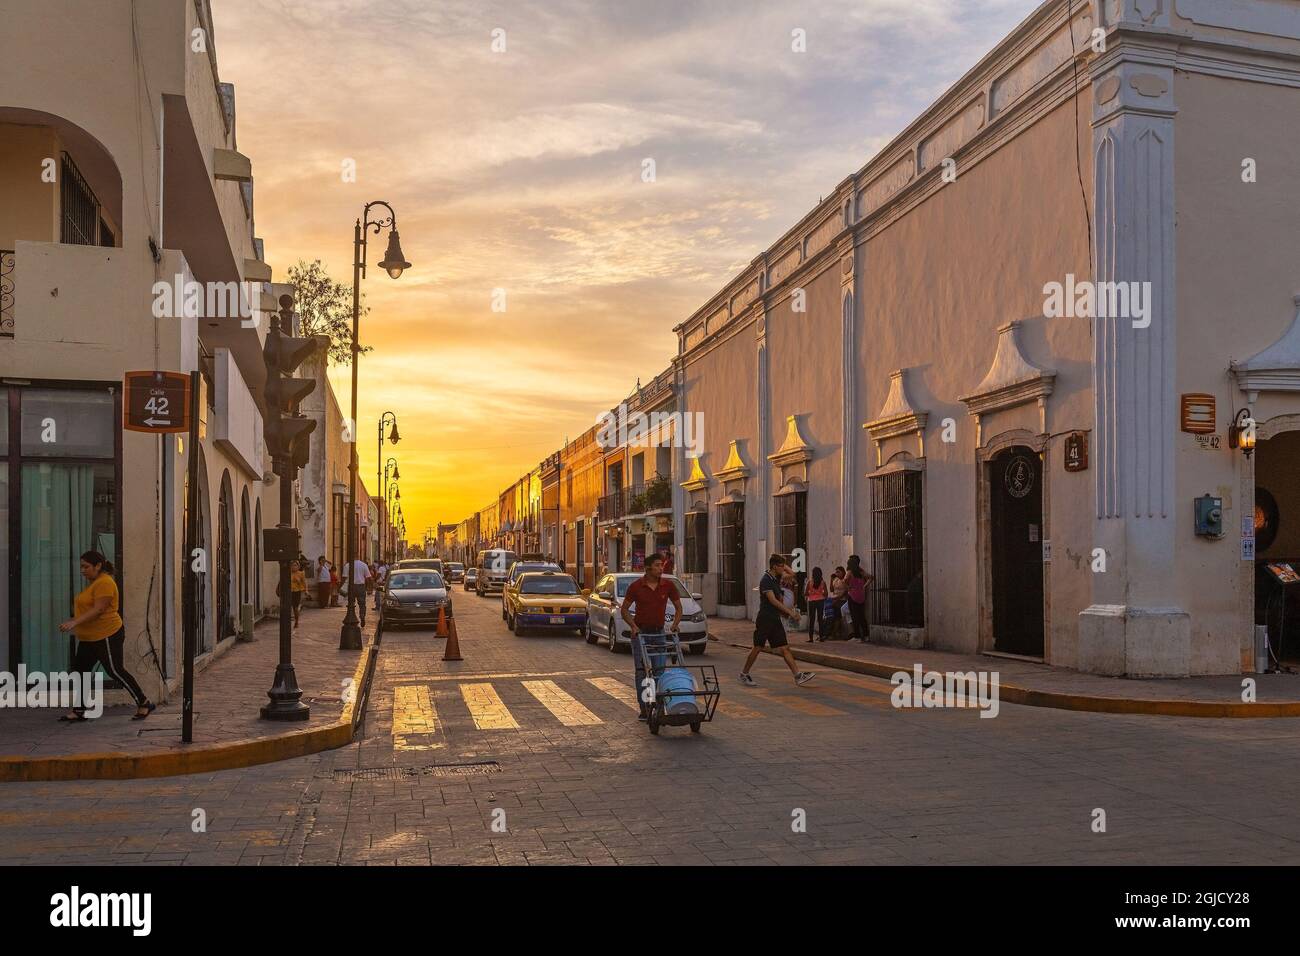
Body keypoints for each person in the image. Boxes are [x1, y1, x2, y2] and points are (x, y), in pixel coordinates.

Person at [57, 550, 154, 721]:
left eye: (86, 567)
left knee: (115, 671)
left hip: (106, 635)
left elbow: (99, 609)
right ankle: (79, 710)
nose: (82, 570)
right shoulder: (95, 583)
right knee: (81, 671)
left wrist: (74, 622)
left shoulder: (105, 582)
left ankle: (144, 702)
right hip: (89, 637)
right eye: (81, 567)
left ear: (98, 566)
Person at [619, 552, 683, 722]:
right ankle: (644, 708)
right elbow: (624, 609)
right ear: (648, 568)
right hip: (641, 634)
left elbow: (678, 608)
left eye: (661, 565)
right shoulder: (636, 586)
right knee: (642, 671)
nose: (661, 568)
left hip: (659, 633)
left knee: (659, 671)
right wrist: (633, 626)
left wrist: (675, 624)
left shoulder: (667, 585)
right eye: (657, 565)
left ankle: (659, 706)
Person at [739, 554, 816, 687]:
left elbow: (792, 574)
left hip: (774, 619)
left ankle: (798, 676)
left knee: (785, 647)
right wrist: (790, 613)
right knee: (758, 647)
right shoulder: (766, 581)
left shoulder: (776, 577)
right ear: (774, 566)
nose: (784, 569)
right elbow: (773, 601)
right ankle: (744, 674)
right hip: (765, 618)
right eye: (781, 566)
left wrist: (783, 563)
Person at [845, 554, 873, 643]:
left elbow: (845, 580)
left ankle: (857, 636)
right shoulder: (861, 571)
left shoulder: (849, 572)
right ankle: (866, 635)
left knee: (854, 616)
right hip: (861, 595)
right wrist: (864, 586)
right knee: (862, 616)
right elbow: (871, 577)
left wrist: (848, 587)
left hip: (852, 595)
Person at [344, 557, 372, 627]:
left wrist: (341, 587)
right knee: (362, 604)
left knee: (351, 603)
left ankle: (351, 617)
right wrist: (369, 588)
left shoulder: (348, 565)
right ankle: (362, 616)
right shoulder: (363, 565)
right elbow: (368, 577)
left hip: (351, 586)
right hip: (361, 586)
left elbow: (344, 577)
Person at [805, 567, 827, 643]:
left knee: (812, 619)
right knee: (820, 619)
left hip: (811, 601)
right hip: (820, 600)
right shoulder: (823, 582)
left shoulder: (809, 582)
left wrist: (811, 593)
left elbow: (805, 593)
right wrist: (820, 594)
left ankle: (811, 638)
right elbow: (826, 593)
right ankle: (821, 637)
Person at [289, 559, 307, 627]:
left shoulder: (301, 573)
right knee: (288, 607)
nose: (294, 567)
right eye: (292, 565)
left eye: (295, 565)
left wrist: (306, 591)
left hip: (297, 592)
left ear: (298, 566)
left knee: (295, 607)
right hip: (289, 592)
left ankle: (296, 621)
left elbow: (304, 583)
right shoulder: (288, 573)